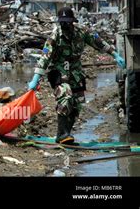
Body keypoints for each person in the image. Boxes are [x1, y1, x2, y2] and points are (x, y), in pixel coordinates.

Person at [28, 7, 125, 144]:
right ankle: (62, 134)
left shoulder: (82, 32)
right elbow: (45, 57)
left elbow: (98, 42)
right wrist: (35, 79)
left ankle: (66, 134)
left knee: (76, 105)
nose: (64, 25)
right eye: (62, 22)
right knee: (66, 96)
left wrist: (115, 55)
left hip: (75, 72)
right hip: (59, 71)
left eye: (67, 22)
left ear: (72, 22)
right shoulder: (55, 35)